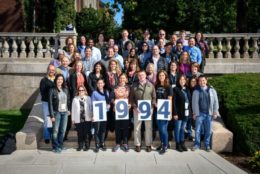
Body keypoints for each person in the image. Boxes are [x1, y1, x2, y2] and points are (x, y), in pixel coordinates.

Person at [192, 75, 220, 152]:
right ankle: (197, 144)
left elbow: (216, 102)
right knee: (197, 130)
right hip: (199, 114)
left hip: (209, 114)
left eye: (203, 80)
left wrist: (215, 112)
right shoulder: (196, 91)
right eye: (200, 81)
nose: (202, 82)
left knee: (208, 130)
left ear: (206, 81)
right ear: (198, 82)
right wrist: (194, 113)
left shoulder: (212, 90)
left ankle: (207, 144)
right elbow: (194, 103)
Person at [130, 70, 156, 152]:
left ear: (145, 76)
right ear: (138, 77)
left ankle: (148, 144)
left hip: (148, 110)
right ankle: (137, 144)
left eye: (143, 75)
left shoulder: (150, 85)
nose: (141, 77)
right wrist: (135, 107)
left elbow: (154, 98)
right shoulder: (134, 86)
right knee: (137, 128)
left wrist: (152, 108)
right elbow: (131, 99)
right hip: (137, 110)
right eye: (139, 75)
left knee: (148, 128)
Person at [48, 74, 70, 153]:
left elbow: (68, 100)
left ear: (63, 80)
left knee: (63, 130)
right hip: (56, 112)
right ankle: (55, 146)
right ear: (56, 80)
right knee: (55, 131)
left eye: (61, 79)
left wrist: (69, 109)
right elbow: (50, 103)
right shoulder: (52, 90)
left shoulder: (65, 89)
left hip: (64, 112)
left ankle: (60, 145)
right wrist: (52, 115)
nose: (60, 81)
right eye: (58, 79)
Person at [155, 70, 173, 154]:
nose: (161, 77)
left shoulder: (168, 87)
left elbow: (170, 101)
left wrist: (170, 113)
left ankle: (165, 146)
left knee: (163, 129)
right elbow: (154, 97)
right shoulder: (156, 85)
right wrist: (154, 103)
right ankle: (162, 144)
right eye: (160, 75)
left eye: (162, 75)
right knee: (160, 128)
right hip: (157, 110)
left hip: (165, 110)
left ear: (165, 76)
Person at [112, 73, 131, 152]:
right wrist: (114, 103)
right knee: (117, 127)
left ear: (126, 79)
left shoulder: (129, 88)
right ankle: (117, 143)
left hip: (126, 110)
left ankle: (125, 143)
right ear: (119, 79)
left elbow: (131, 97)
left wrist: (130, 104)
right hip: (117, 110)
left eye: (124, 78)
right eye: (121, 78)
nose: (122, 79)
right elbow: (111, 98)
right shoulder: (115, 87)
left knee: (126, 127)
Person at [173, 75, 192, 152]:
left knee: (182, 129)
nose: (182, 81)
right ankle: (177, 144)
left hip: (186, 112)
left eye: (183, 79)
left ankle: (182, 143)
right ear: (178, 80)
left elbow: (189, 101)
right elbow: (173, 102)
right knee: (177, 129)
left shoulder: (187, 89)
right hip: (178, 113)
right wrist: (175, 113)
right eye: (180, 79)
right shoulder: (175, 89)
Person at [91, 78, 110, 152]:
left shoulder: (106, 92)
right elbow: (93, 104)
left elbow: (108, 102)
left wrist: (108, 105)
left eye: (101, 83)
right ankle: (97, 144)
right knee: (97, 129)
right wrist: (93, 115)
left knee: (103, 129)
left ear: (104, 84)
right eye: (98, 83)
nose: (100, 84)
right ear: (97, 84)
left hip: (104, 113)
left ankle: (102, 143)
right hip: (97, 114)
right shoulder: (94, 93)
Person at [71, 85, 92, 151]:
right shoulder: (75, 99)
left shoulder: (88, 98)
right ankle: (80, 146)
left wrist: (92, 116)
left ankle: (87, 145)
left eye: (82, 90)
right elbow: (73, 109)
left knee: (86, 133)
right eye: (80, 90)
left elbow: (91, 108)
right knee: (80, 133)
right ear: (78, 91)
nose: (81, 92)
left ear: (85, 91)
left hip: (87, 118)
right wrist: (73, 119)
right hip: (78, 119)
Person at [40, 64, 56, 144]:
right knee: (47, 120)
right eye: (50, 69)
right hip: (46, 102)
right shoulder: (44, 80)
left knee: (54, 120)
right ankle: (47, 136)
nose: (52, 71)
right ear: (47, 70)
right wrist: (50, 99)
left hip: (55, 103)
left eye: (53, 70)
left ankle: (53, 135)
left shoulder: (56, 79)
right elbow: (42, 92)